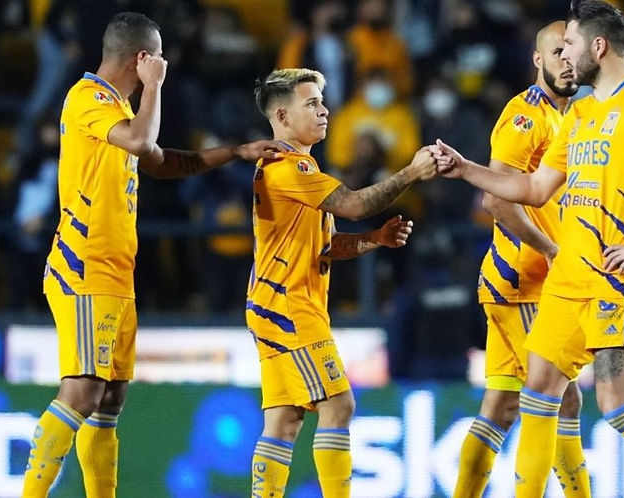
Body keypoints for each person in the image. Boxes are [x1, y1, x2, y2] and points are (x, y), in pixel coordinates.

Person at [434, 2, 624, 497]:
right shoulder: (579, 113)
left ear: (598, 47)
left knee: (617, 407)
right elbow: (535, 188)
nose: (567, 55)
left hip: (614, 281)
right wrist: (466, 169)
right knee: (538, 397)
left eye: (572, 45)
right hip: (563, 281)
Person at [22, 12, 280, 497]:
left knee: (109, 400)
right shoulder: (89, 98)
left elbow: (161, 161)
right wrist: (155, 87)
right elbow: (144, 141)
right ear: (143, 59)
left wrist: (236, 152)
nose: (164, 65)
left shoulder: (119, 110)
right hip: (85, 267)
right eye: (158, 57)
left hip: (116, 274)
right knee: (82, 391)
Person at [248, 68, 435, 498]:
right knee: (339, 404)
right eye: (312, 103)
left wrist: (375, 238)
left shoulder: (292, 167)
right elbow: (352, 204)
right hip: (290, 307)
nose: (325, 111)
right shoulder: (288, 166)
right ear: (282, 115)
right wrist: (410, 173)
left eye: (322, 102)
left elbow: (326, 245)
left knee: (284, 419)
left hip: (273, 305)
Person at [453, 21, 590, 498]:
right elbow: (495, 199)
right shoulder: (525, 117)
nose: (566, 63)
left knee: (501, 407)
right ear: (537, 60)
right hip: (524, 281)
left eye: (572, 53)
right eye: (556, 53)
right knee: (562, 399)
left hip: (523, 282)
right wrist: (552, 250)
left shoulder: (569, 116)